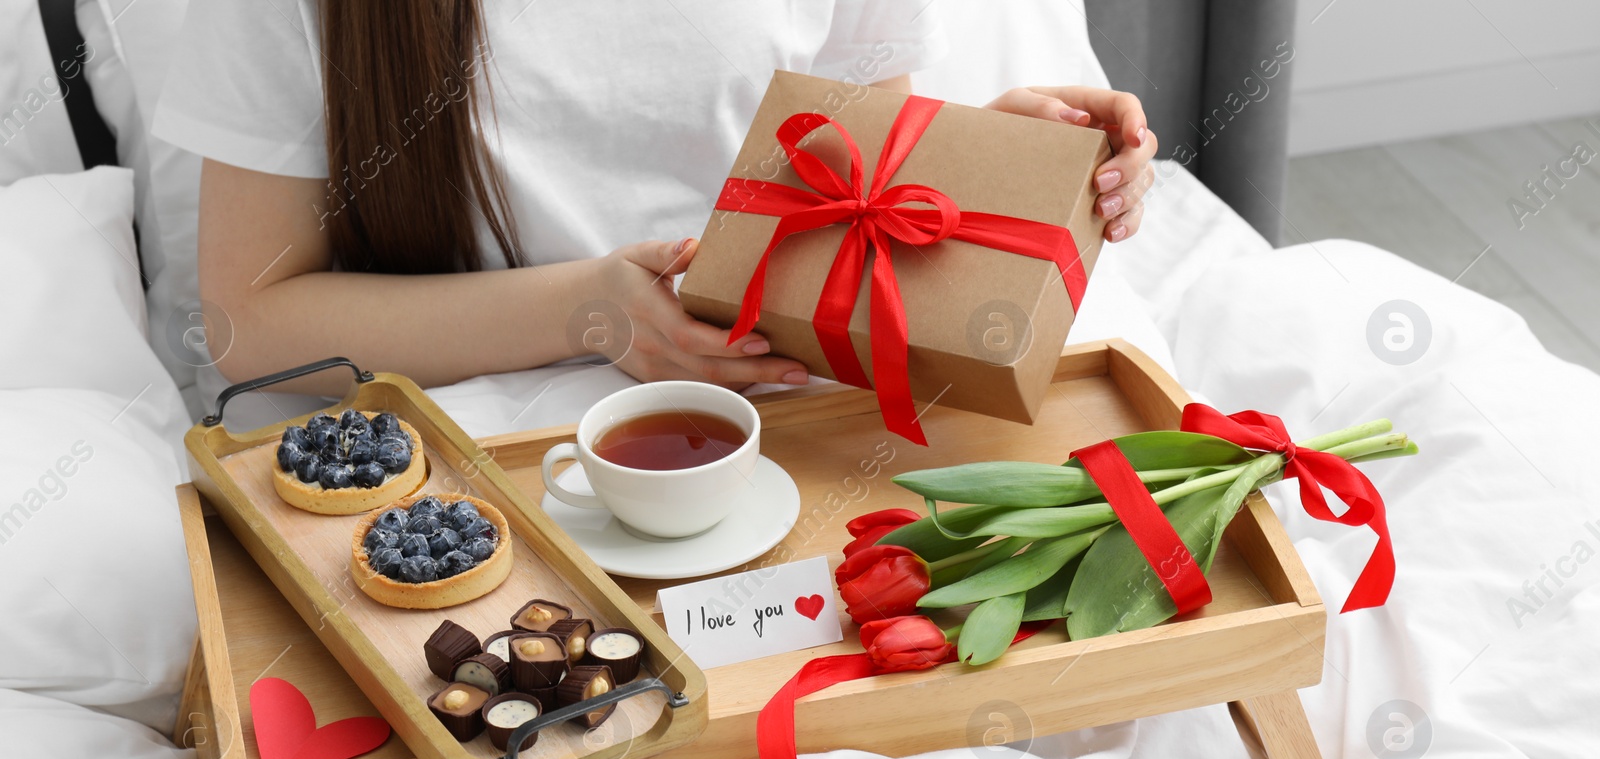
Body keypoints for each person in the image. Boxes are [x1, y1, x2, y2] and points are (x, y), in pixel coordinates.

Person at [154, 0, 1156, 403]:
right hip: (469, 455)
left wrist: (997, 167)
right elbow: (250, 319)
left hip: (768, 426)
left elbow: (840, 191)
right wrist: (587, 311)